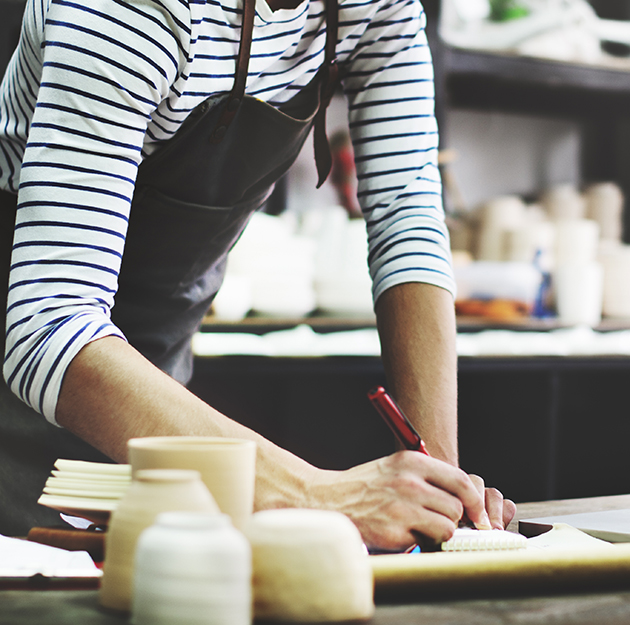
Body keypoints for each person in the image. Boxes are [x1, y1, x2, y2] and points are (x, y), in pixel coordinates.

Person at [0, 0, 515, 546]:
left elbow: (406, 222)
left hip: (155, 397)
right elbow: (47, 325)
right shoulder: (131, 9)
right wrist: (317, 495)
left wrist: (442, 499)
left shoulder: (379, 7)